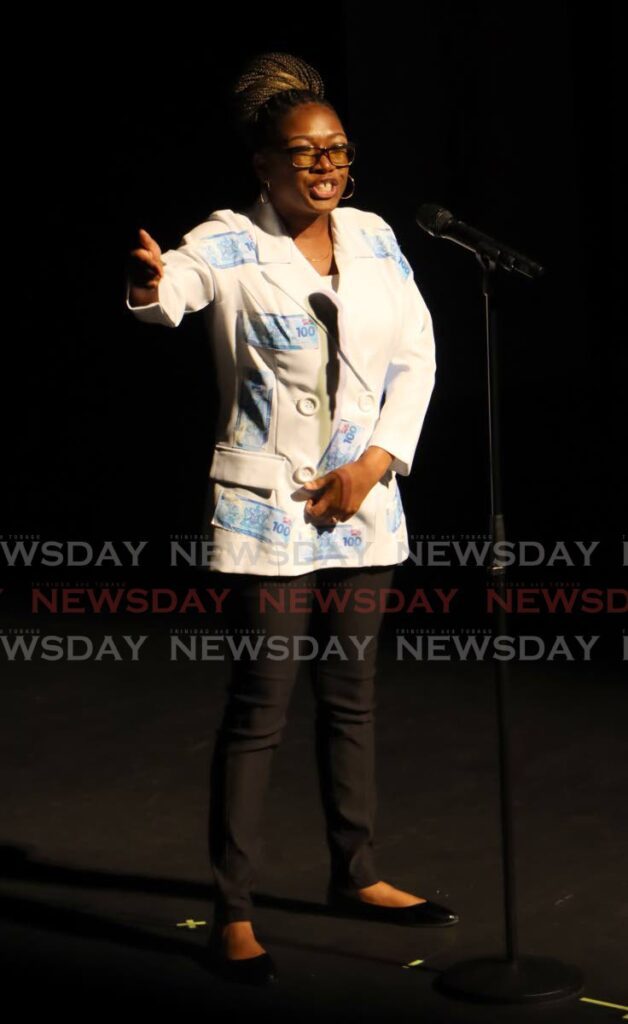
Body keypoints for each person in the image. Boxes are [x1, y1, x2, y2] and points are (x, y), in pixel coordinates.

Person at [126, 52, 458, 985]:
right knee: (261, 711)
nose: (324, 167)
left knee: (351, 700)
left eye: (338, 151)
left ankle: (357, 873)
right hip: (269, 512)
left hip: (364, 501)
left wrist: (377, 462)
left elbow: (418, 356)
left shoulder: (377, 236)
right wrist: (154, 288)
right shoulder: (229, 241)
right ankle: (234, 910)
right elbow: (175, 289)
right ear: (263, 163)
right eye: (303, 153)